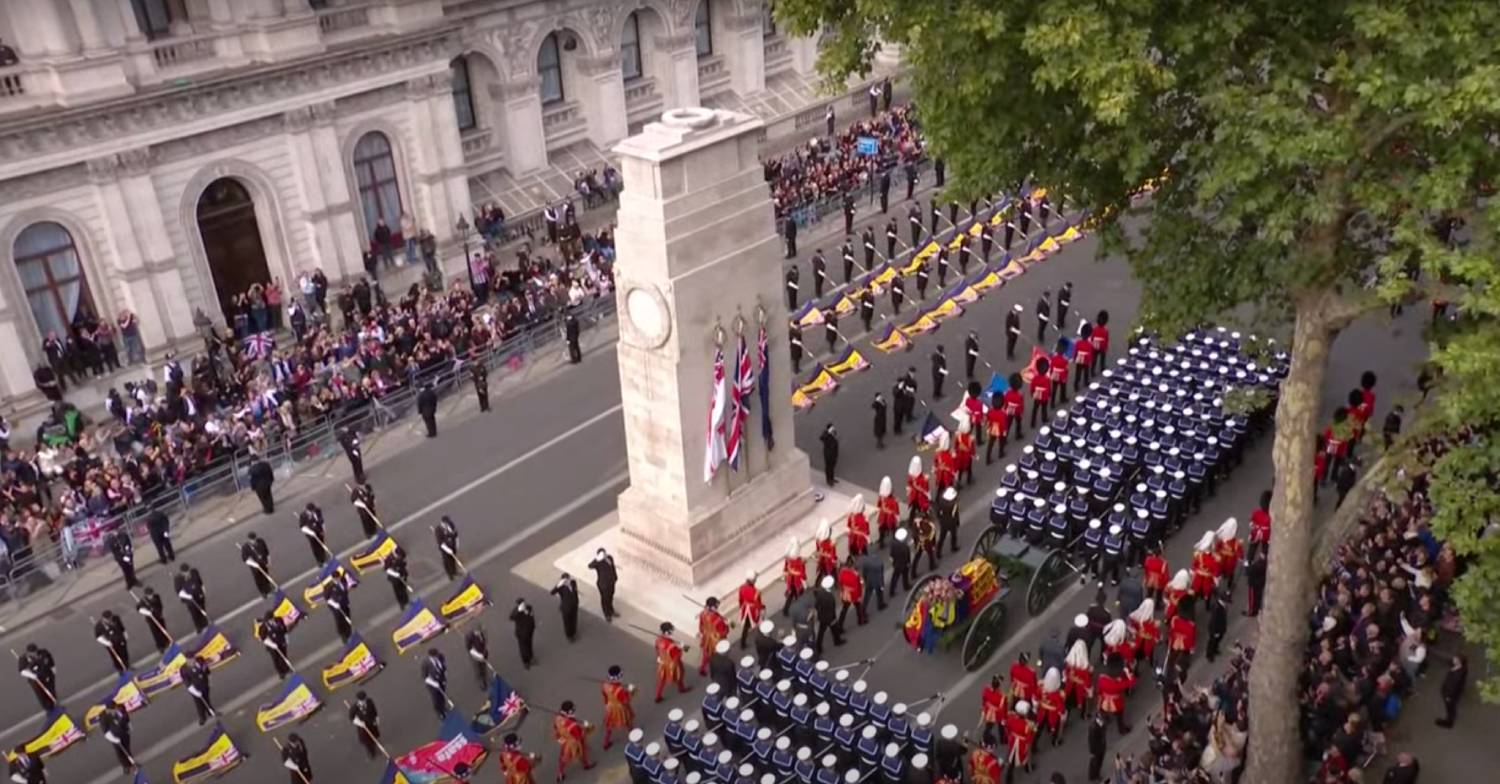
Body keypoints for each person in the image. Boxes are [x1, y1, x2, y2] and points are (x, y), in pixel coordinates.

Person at [553, 701, 595, 780]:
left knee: (563, 758)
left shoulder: (558, 719)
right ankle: (586, 764)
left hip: (565, 741)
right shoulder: (573, 725)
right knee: (582, 751)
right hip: (573, 742)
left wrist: (560, 739)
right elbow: (580, 735)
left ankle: (560, 773)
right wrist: (586, 727)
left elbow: (556, 729)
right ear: (569, 711)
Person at [601, 665, 636, 749]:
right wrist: (631, 691)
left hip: (610, 707)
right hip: (620, 708)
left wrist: (606, 704)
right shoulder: (619, 690)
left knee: (609, 724)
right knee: (627, 720)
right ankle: (633, 733)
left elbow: (604, 696)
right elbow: (626, 700)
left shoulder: (605, 685)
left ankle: (605, 742)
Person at [654, 622, 691, 702]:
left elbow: (657, 649)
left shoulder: (658, 640)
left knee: (662, 679)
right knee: (680, 674)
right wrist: (681, 648)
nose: (673, 633)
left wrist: (658, 657)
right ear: (667, 632)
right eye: (671, 631)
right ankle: (681, 688)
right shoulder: (671, 646)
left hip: (663, 663)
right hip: (672, 664)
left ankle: (658, 695)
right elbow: (677, 656)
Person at [17, 644, 56, 713]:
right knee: (41, 695)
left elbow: (50, 659)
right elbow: (21, 671)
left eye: (35, 651)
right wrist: (32, 675)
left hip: (47, 675)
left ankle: (54, 703)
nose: (34, 653)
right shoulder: (23, 659)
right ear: (28, 652)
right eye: (32, 652)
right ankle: (48, 708)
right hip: (36, 680)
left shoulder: (43, 652)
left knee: (51, 690)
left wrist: (53, 668)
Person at [175, 564, 209, 632]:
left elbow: (199, 580)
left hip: (198, 593)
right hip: (190, 599)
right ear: (182, 573)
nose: (188, 573)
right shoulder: (178, 579)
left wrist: (203, 588)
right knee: (194, 613)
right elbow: (179, 591)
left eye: (188, 571)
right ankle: (199, 627)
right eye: (186, 572)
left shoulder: (194, 572)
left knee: (202, 608)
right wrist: (187, 596)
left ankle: (205, 624)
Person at [101, 703, 134, 773]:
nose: (114, 711)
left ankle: (131, 763)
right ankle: (125, 766)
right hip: (115, 736)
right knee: (120, 752)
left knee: (127, 749)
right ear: (108, 710)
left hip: (124, 733)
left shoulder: (120, 709)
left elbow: (127, 718)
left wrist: (130, 727)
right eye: (112, 710)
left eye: (115, 709)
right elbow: (106, 732)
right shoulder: (103, 717)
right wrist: (114, 739)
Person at [1436, 654, 1467, 728]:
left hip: (1450, 695)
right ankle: (1450, 719)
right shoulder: (1462, 668)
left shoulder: (1457, 675)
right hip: (1454, 694)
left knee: (1450, 708)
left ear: (1459, 662)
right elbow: (1443, 658)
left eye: (1455, 659)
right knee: (1452, 707)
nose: (1453, 659)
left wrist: (1448, 696)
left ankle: (1449, 722)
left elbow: (1452, 687)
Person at [258, 610, 291, 679]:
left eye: (271, 619)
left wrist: (287, 639)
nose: (270, 621)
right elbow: (263, 638)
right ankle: (281, 673)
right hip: (273, 646)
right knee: (276, 660)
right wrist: (272, 644)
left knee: (284, 656)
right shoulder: (263, 627)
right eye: (268, 620)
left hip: (281, 642)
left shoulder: (279, 620)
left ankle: (286, 668)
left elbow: (284, 630)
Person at [588, 548, 618, 622]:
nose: (604, 555)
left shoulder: (609, 558)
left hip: (611, 582)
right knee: (605, 599)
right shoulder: (598, 562)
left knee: (610, 597)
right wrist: (597, 559)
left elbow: (613, 567)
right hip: (603, 584)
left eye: (604, 553)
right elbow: (590, 566)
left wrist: (615, 577)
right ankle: (607, 614)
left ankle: (611, 610)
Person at [349, 691, 381, 759]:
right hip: (363, 727)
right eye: (362, 700)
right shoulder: (354, 707)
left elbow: (374, 710)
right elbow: (351, 718)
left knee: (374, 736)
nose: (364, 701)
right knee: (367, 742)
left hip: (372, 723)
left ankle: (375, 746)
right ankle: (371, 753)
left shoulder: (369, 701)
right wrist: (359, 723)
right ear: (358, 700)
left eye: (364, 699)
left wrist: (377, 717)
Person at [184, 655, 215, 725]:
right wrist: (195, 692)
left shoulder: (200, 661)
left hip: (205, 685)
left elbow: (207, 671)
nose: (191, 661)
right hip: (195, 689)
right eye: (189, 660)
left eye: (192, 659)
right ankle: (202, 718)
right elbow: (187, 683)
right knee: (199, 703)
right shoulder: (184, 669)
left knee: (207, 699)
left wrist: (210, 681)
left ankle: (211, 712)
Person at [242, 532, 274, 597]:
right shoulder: (245, 547)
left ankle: (268, 588)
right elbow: (245, 559)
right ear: (249, 540)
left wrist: (269, 561)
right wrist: (255, 564)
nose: (254, 541)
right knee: (259, 579)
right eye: (252, 540)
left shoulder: (261, 541)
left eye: (254, 539)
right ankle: (263, 592)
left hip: (264, 562)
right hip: (255, 567)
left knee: (265, 575)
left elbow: (266, 551)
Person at [736, 575, 764, 650]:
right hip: (753, 610)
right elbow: (757, 601)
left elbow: (740, 599)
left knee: (746, 627)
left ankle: (743, 643)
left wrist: (741, 608)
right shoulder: (755, 591)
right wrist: (761, 607)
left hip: (745, 608)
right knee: (759, 621)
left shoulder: (741, 587)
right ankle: (762, 637)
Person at [552, 573, 581, 642]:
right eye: (565, 580)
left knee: (574, 620)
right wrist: (558, 585)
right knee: (567, 622)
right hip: (566, 607)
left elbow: (575, 591)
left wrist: (576, 602)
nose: (567, 581)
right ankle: (569, 635)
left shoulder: (573, 583)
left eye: (568, 579)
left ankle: (573, 632)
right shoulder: (561, 587)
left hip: (574, 605)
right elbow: (552, 592)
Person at [324, 573, 353, 642]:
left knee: (347, 618)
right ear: (333, 579)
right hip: (337, 608)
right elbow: (327, 598)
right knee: (340, 621)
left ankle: (349, 634)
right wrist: (334, 604)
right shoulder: (329, 586)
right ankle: (344, 636)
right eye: (336, 579)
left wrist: (347, 602)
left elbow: (345, 593)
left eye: (338, 578)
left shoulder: (343, 581)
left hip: (344, 604)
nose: (337, 580)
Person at [510, 599, 538, 669]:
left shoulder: (529, 607)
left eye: (524, 603)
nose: (523, 605)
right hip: (521, 634)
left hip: (529, 631)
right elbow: (511, 617)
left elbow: (532, 615)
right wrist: (519, 611)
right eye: (521, 604)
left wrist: (533, 625)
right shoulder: (516, 612)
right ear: (519, 605)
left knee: (529, 645)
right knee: (523, 648)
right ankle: (526, 662)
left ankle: (531, 657)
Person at [422, 648, 450, 718]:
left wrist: (445, 673)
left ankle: (443, 707)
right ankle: (439, 712)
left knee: (442, 695)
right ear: (431, 656)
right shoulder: (425, 663)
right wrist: (434, 684)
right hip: (432, 684)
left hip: (441, 680)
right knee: (436, 698)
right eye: (435, 657)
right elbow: (425, 677)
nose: (437, 657)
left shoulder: (440, 656)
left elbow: (443, 665)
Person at [384, 545, 411, 609]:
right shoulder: (389, 559)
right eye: (398, 556)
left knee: (403, 589)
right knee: (398, 591)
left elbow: (403, 562)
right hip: (394, 579)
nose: (399, 557)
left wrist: (403, 573)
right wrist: (394, 573)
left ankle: (406, 601)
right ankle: (401, 603)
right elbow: (387, 569)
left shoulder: (401, 554)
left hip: (402, 574)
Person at [435, 515, 461, 579]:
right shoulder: (438, 530)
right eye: (446, 523)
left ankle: (454, 571)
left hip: (452, 545)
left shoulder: (451, 525)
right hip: (445, 549)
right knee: (447, 561)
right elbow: (441, 543)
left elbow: (455, 534)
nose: (447, 524)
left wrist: (457, 544)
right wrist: (448, 550)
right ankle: (450, 575)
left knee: (453, 559)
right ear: (442, 523)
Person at [889, 528, 912, 595]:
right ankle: (906, 586)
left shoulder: (893, 543)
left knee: (895, 577)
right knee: (905, 576)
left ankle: (891, 591)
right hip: (903, 563)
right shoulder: (905, 546)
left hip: (896, 563)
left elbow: (892, 553)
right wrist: (908, 562)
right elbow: (907, 556)